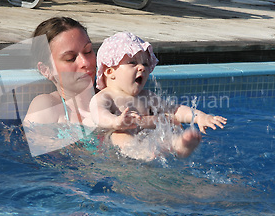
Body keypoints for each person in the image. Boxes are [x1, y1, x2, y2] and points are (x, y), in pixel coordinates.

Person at [89, 32, 227, 161]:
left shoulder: (147, 96)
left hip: (146, 138)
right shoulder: (105, 96)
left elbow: (175, 110)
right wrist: (115, 122)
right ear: (109, 71)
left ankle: (178, 145)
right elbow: (98, 114)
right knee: (119, 135)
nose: (141, 68)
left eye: (145, 63)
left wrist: (200, 117)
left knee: (167, 129)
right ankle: (141, 152)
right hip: (116, 143)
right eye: (132, 63)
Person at [22, 17, 98, 156]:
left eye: (88, 51)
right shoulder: (47, 107)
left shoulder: (114, 98)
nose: (85, 62)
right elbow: (30, 148)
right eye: (70, 58)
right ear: (46, 70)